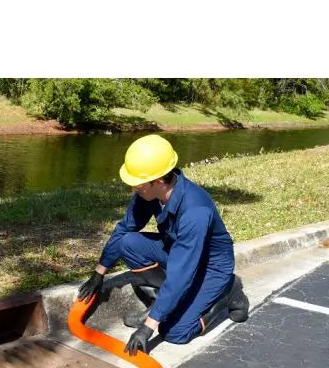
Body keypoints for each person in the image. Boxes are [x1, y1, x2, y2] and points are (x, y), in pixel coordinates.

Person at [77, 134, 249, 356]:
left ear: (158, 180)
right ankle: (161, 304)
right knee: (128, 243)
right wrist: (99, 273)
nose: (133, 189)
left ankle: (228, 293)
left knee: (174, 332)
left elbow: (181, 274)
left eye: (137, 184)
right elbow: (125, 228)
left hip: (210, 268)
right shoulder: (149, 193)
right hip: (176, 252)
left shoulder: (195, 211)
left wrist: (148, 328)